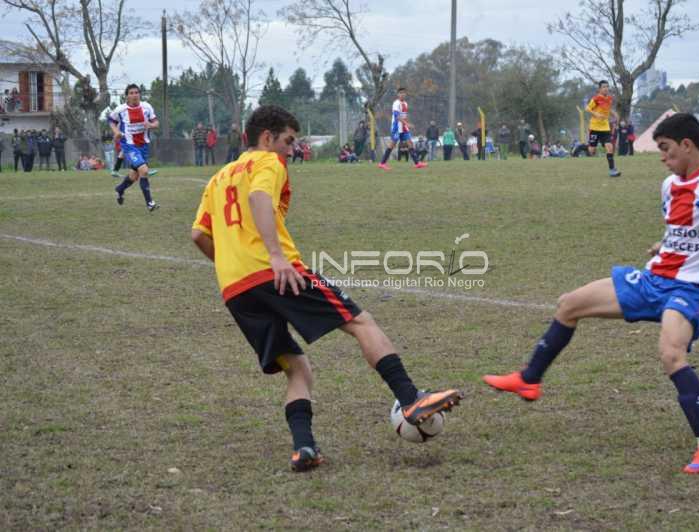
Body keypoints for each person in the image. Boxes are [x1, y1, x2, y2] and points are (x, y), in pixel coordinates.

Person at [482, 113, 699, 475]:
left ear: (687, 145)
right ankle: (530, 379)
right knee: (569, 304)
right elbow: (682, 228)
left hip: (687, 289)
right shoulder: (669, 185)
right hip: (651, 280)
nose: (662, 158)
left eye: (666, 149)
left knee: (671, 354)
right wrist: (663, 244)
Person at [190, 105, 463, 472]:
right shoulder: (268, 162)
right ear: (267, 138)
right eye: (288, 141)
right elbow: (258, 198)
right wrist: (275, 256)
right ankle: (410, 397)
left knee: (297, 367)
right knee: (361, 322)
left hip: (236, 289)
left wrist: (232, 266)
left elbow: (198, 235)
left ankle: (304, 447)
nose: (291, 150)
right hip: (277, 271)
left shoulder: (218, 178)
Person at [109, 83, 160, 212]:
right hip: (129, 145)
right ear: (127, 96)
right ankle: (150, 203)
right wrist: (116, 132)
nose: (134, 95)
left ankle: (120, 189)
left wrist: (150, 125)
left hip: (143, 145)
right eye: (131, 93)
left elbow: (156, 122)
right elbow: (111, 121)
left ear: (139, 94)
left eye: (136, 92)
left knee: (134, 176)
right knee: (144, 170)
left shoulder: (147, 107)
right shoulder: (120, 109)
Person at [378, 87, 427, 170]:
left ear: (405, 94)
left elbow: (404, 116)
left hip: (404, 127)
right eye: (400, 93)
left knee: (410, 143)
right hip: (396, 127)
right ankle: (382, 163)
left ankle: (417, 163)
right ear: (398, 94)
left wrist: (407, 124)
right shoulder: (396, 103)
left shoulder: (405, 104)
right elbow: (397, 116)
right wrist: (407, 124)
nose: (402, 94)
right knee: (392, 145)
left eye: (404, 93)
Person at [586, 80, 621, 177]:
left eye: (607, 86)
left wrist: (614, 114)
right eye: (604, 87)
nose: (606, 88)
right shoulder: (596, 98)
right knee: (591, 151)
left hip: (605, 127)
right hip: (594, 127)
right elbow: (588, 108)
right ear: (599, 89)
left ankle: (612, 170)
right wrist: (596, 114)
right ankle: (587, 146)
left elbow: (608, 109)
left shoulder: (609, 98)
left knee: (610, 147)